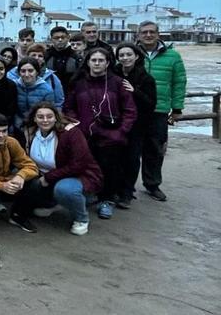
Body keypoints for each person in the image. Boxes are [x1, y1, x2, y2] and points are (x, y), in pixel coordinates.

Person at [64, 48, 137, 220]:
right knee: (86, 167)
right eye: (93, 60)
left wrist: (121, 132)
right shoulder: (78, 83)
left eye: (101, 60)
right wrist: (77, 126)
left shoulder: (118, 83)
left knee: (110, 168)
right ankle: (91, 194)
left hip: (111, 136)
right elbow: (69, 107)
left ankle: (107, 200)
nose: (97, 63)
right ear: (88, 62)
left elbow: (130, 110)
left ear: (108, 63)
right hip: (85, 135)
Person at [24, 102, 104, 236]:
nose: (45, 120)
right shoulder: (29, 132)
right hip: (46, 173)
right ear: (34, 119)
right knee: (23, 179)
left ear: (56, 117)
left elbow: (78, 165)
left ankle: (81, 218)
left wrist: (48, 177)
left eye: (49, 116)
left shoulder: (71, 133)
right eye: (40, 117)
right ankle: (51, 204)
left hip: (80, 175)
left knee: (64, 189)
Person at [136, 20, 186, 201]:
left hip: (159, 109)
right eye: (144, 32)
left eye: (151, 32)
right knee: (130, 150)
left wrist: (177, 108)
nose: (148, 35)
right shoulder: (130, 54)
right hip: (135, 109)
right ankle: (126, 187)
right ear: (138, 35)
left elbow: (179, 83)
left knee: (155, 149)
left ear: (158, 34)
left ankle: (152, 184)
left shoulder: (173, 56)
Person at [113, 42, 157, 208]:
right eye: (122, 55)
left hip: (137, 126)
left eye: (128, 54)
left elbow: (151, 103)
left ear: (136, 56)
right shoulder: (114, 73)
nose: (125, 58)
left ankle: (127, 192)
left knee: (132, 158)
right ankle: (115, 189)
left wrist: (134, 91)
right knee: (116, 157)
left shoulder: (146, 78)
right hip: (116, 122)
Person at [11, 58, 55, 134]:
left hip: (38, 128)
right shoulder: (13, 86)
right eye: (23, 71)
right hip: (17, 127)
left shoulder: (47, 90)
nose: (26, 74)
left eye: (30, 71)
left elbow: (49, 112)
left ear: (37, 72)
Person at [15, 44, 64, 109]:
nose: (36, 58)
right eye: (33, 55)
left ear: (44, 59)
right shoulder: (14, 74)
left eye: (40, 56)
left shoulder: (52, 78)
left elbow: (58, 103)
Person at [45, 26, 79, 91]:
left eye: (63, 37)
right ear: (51, 39)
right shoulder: (46, 56)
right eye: (56, 38)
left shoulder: (76, 57)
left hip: (71, 93)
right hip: (50, 93)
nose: (60, 40)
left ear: (68, 38)